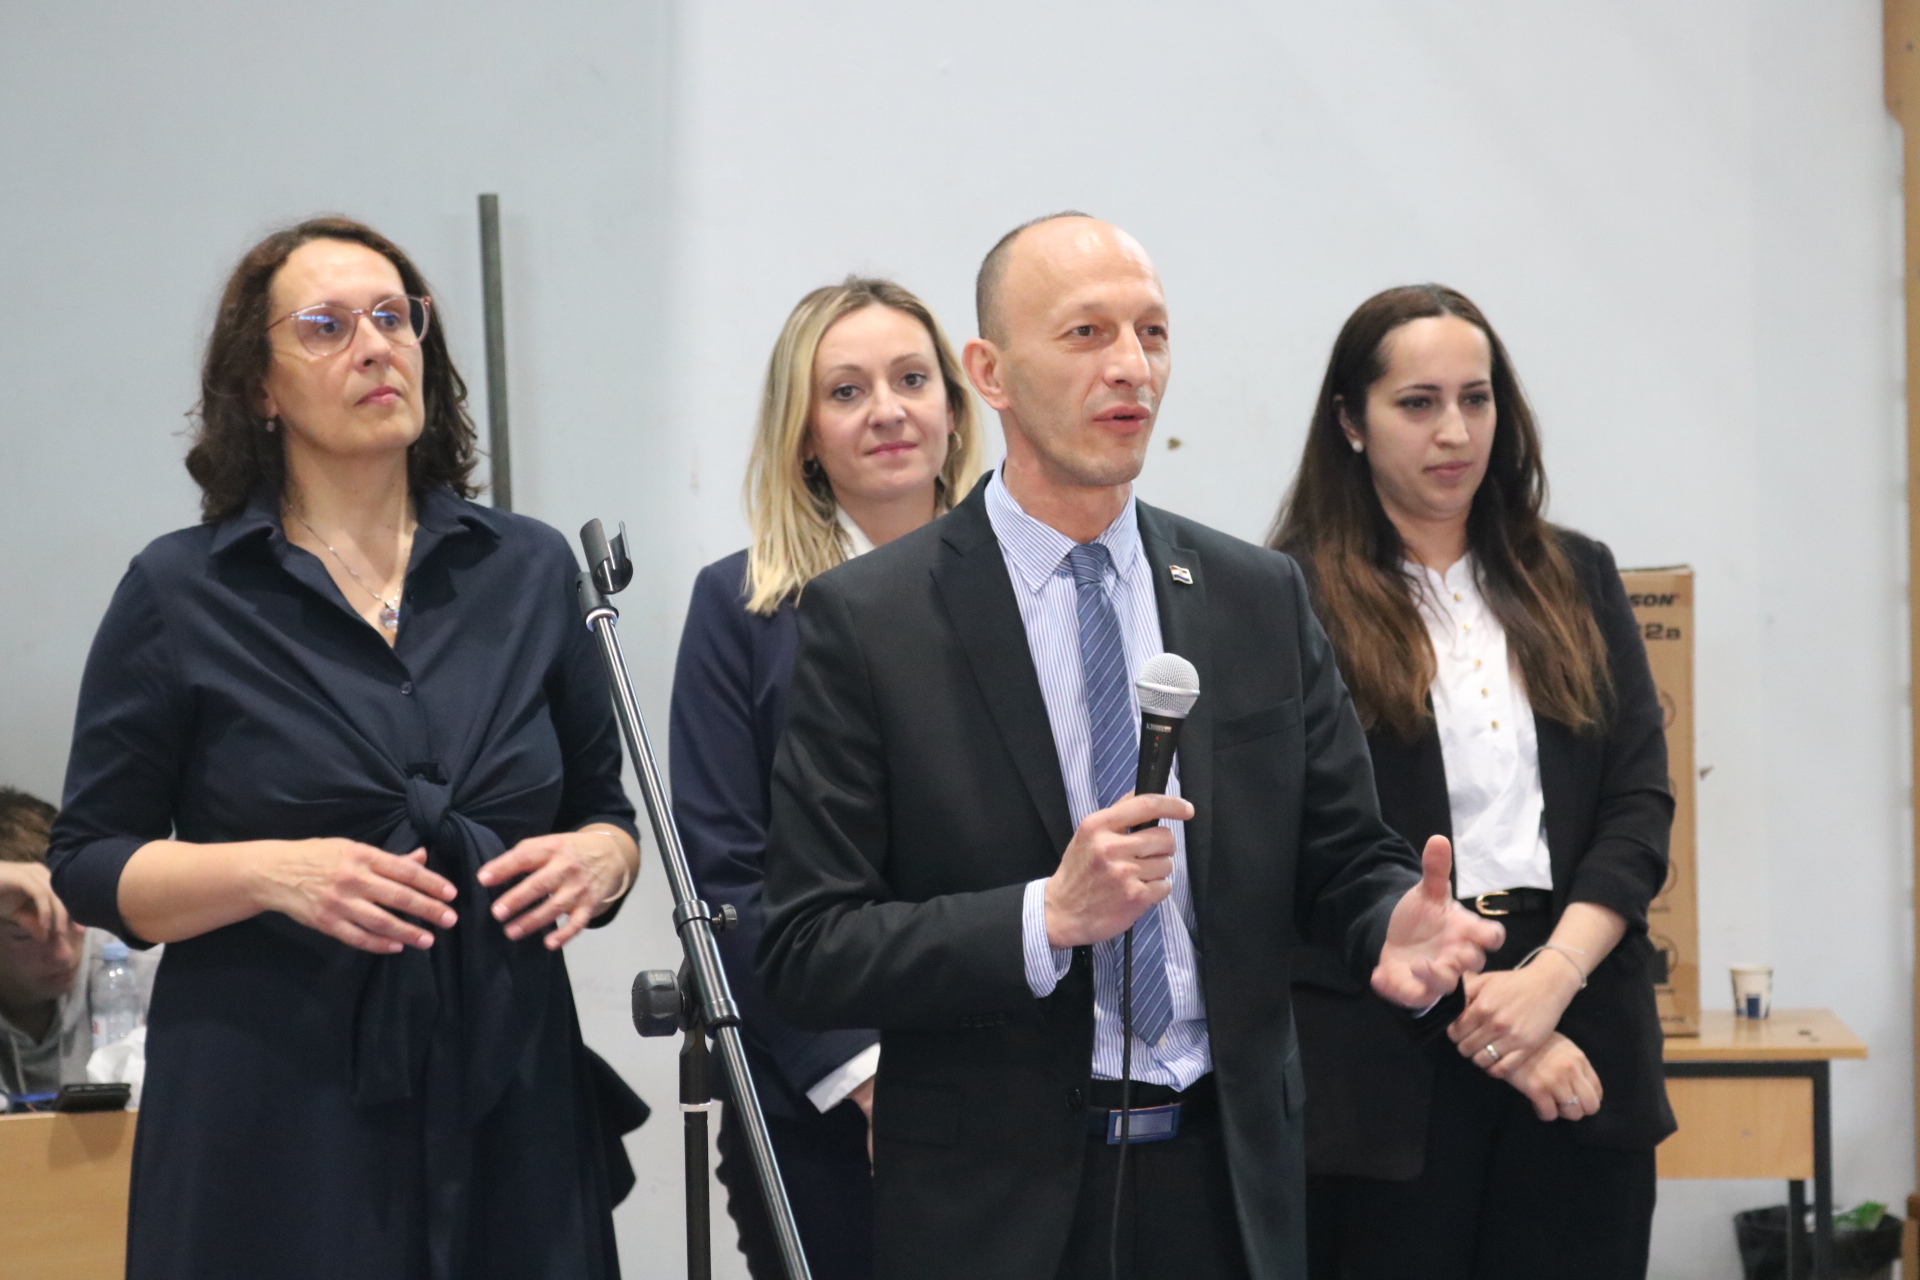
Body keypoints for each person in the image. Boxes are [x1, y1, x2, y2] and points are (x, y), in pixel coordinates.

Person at [757, 214, 1505, 1280]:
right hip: (997, 1208)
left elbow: (1342, 855)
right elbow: (808, 946)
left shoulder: (1255, 595)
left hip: (1228, 1185)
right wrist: (1044, 916)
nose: (1131, 367)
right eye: (1086, 333)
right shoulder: (872, 621)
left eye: (1152, 333)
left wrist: (1390, 919)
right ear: (990, 373)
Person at [46, 216, 642, 1280]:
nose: (375, 346)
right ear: (259, 388)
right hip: (273, 1107)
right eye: (326, 326)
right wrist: (273, 873)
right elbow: (89, 860)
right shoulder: (182, 592)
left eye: (394, 317)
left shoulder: (529, 569)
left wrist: (606, 859)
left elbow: (605, 810)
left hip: (509, 1087)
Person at [1271, 284, 1676, 1279]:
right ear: (1351, 422)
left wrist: (1551, 981)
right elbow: (1300, 848)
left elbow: (1637, 807)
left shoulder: (1577, 575)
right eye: (1417, 403)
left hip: (1579, 1008)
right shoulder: (1286, 598)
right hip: (1389, 1044)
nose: (1454, 432)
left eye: (1476, 398)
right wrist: (1495, 1023)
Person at [671, 277, 980, 1277]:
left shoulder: (1031, 589)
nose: (888, 410)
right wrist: (867, 1076)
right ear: (804, 436)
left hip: (1013, 1084)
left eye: (911, 380)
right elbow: (727, 871)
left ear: (955, 408)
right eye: (846, 391)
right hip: (814, 1095)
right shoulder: (739, 607)